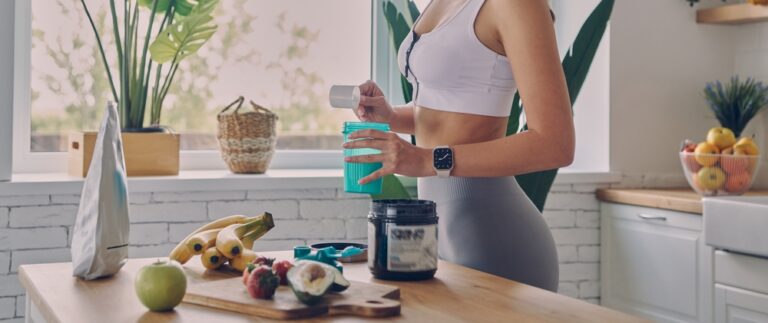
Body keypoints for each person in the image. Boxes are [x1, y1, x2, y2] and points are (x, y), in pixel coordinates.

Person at [343, 0, 573, 291]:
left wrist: (426, 160)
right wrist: (390, 116)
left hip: (494, 236)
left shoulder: (516, 4)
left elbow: (555, 143)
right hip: (440, 232)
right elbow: (450, 108)